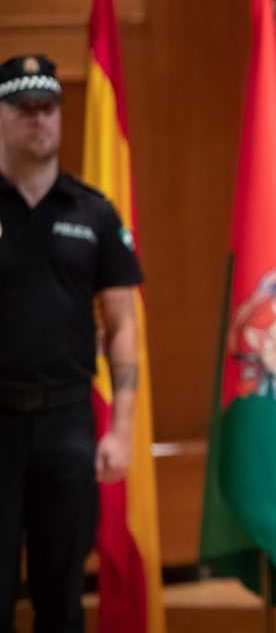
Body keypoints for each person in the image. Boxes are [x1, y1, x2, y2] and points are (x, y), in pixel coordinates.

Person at [0, 54, 143, 632]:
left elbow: (122, 323)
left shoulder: (94, 212)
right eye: (24, 109)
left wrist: (123, 429)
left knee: (61, 596)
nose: (40, 120)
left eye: (49, 108)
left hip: (67, 423)